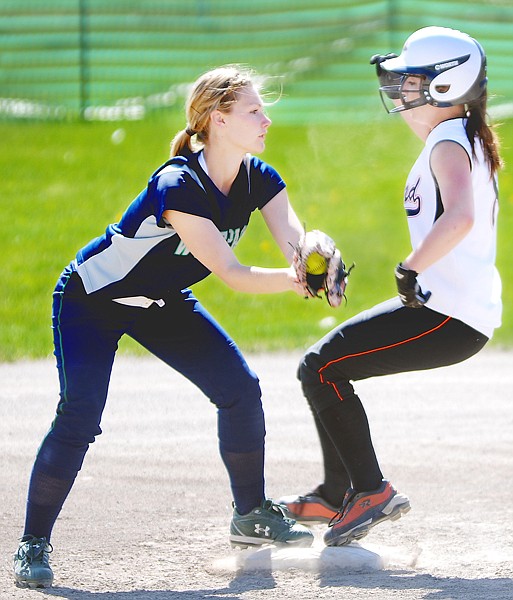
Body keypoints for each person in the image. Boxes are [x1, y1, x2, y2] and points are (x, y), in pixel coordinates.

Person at [13, 64, 318, 589]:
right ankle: (32, 543)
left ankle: (251, 516)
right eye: (253, 111)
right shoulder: (179, 183)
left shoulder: (259, 179)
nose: (266, 119)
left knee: (240, 392)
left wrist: (319, 257)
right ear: (219, 121)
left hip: (158, 300)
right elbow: (232, 273)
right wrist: (298, 284)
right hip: (92, 301)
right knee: (80, 417)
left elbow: (297, 240)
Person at [279, 26, 502, 546]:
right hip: (450, 309)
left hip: (448, 313)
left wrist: (410, 267)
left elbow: (462, 217)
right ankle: (338, 493)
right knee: (323, 365)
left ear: (447, 88)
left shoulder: (449, 140)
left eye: (412, 81)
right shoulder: (461, 135)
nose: (400, 90)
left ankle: (369, 491)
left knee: (321, 367)